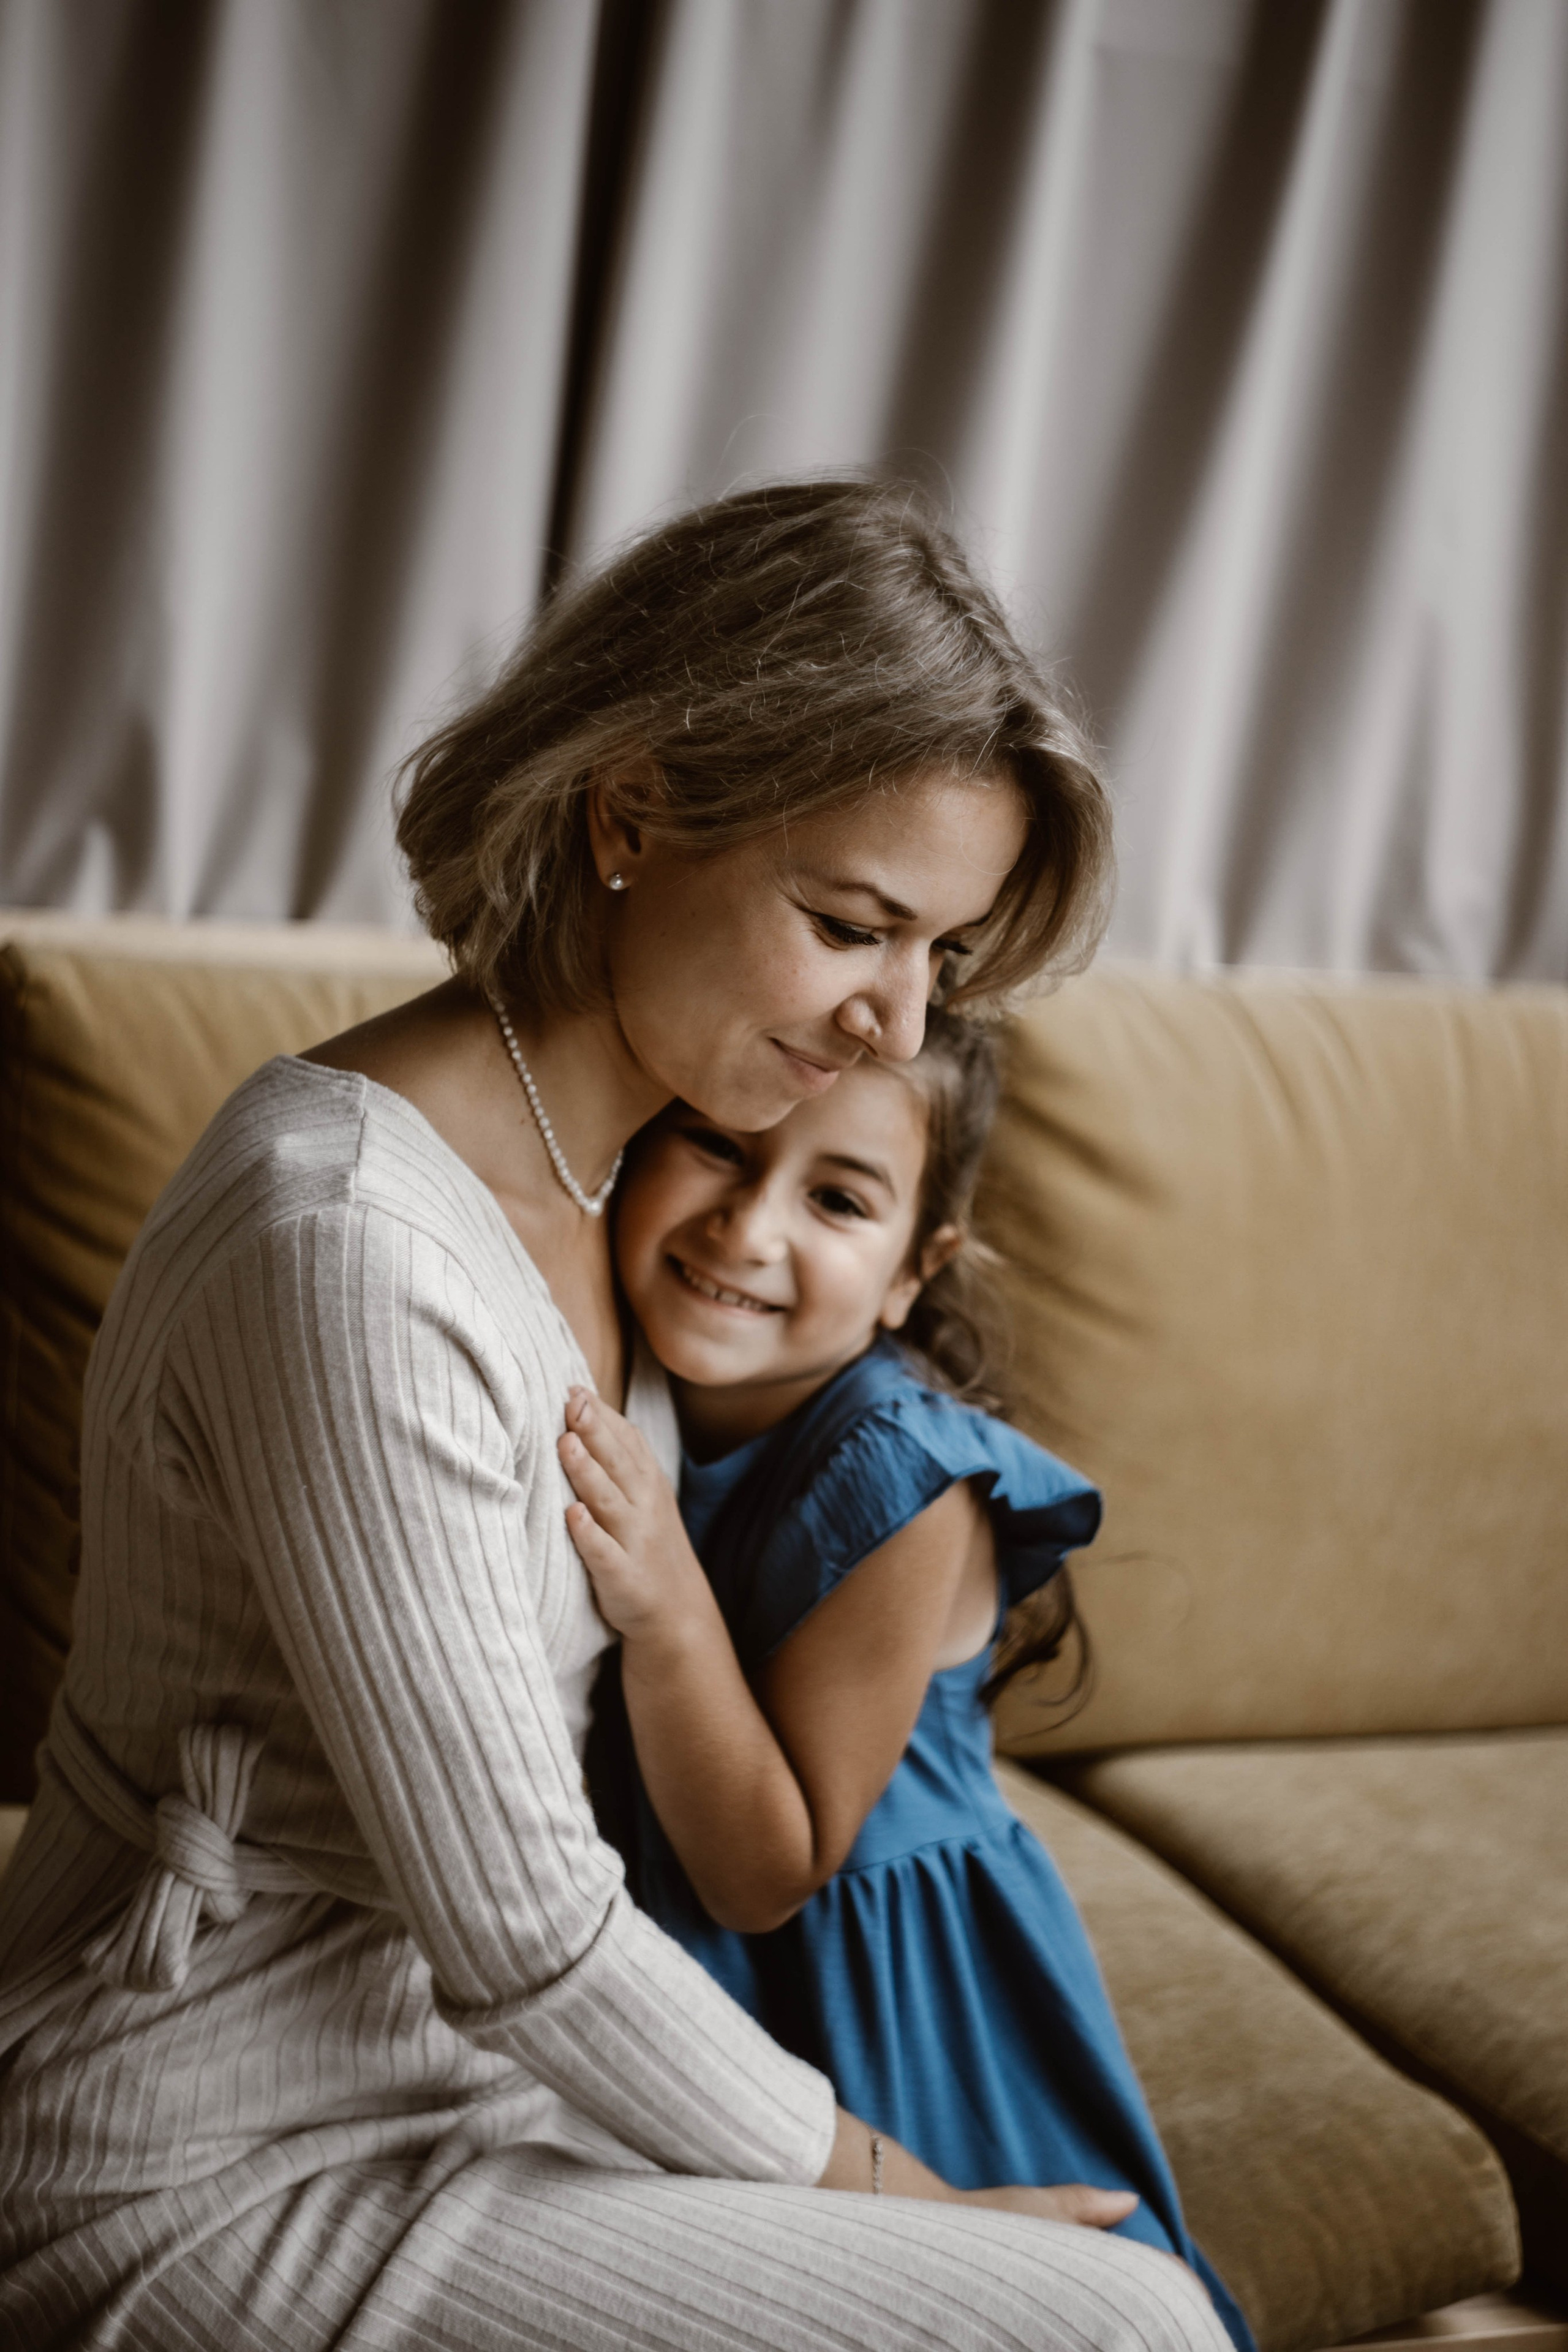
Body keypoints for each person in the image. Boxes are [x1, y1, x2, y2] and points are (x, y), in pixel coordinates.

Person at [0, 480, 1229, 2352]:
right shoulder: (347, 1239)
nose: (899, 1025)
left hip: (476, 2090)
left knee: (1138, 2306)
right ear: (634, 810)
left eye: (941, 959)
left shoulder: (635, 1187)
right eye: (851, 925)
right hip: (201, 2148)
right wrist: (901, 2194)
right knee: (1121, 2332)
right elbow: (524, 1932)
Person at [565, 1012, 1253, 2351]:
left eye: (834, 1198)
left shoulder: (904, 1484)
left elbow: (761, 1874)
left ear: (907, 1272)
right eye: (717, 1148)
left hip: (879, 1989)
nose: (748, 1229)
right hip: (680, 1993)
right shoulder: (596, 1363)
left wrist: (666, 1606)